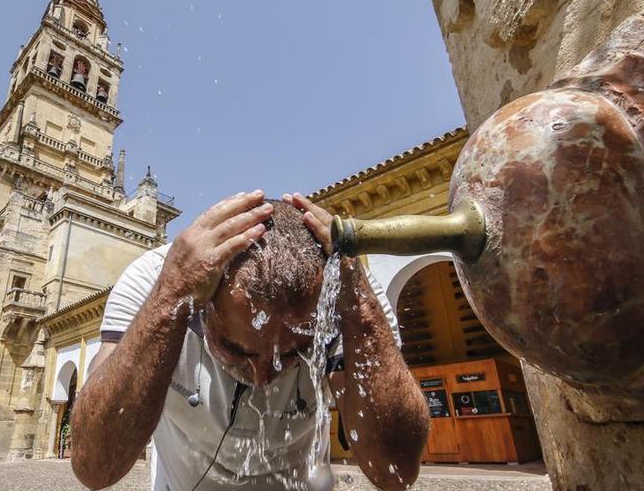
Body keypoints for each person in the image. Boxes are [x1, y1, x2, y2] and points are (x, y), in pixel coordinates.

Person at [71, 190, 429, 490]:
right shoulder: (156, 283)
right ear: (204, 305)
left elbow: (395, 470)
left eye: (293, 354)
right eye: (235, 350)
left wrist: (360, 311)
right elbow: (95, 467)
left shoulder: (349, 294)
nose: (262, 377)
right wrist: (169, 299)